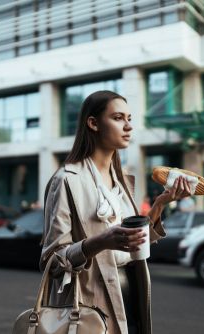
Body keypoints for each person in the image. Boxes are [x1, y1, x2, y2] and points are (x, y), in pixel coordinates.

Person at [40, 90, 192, 334]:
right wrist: (101, 241)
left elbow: (134, 237)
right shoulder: (67, 180)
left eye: (129, 118)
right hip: (90, 302)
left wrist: (161, 203)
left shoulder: (121, 181)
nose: (128, 126)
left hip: (132, 293)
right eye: (118, 118)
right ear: (93, 123)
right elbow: (52, 261)